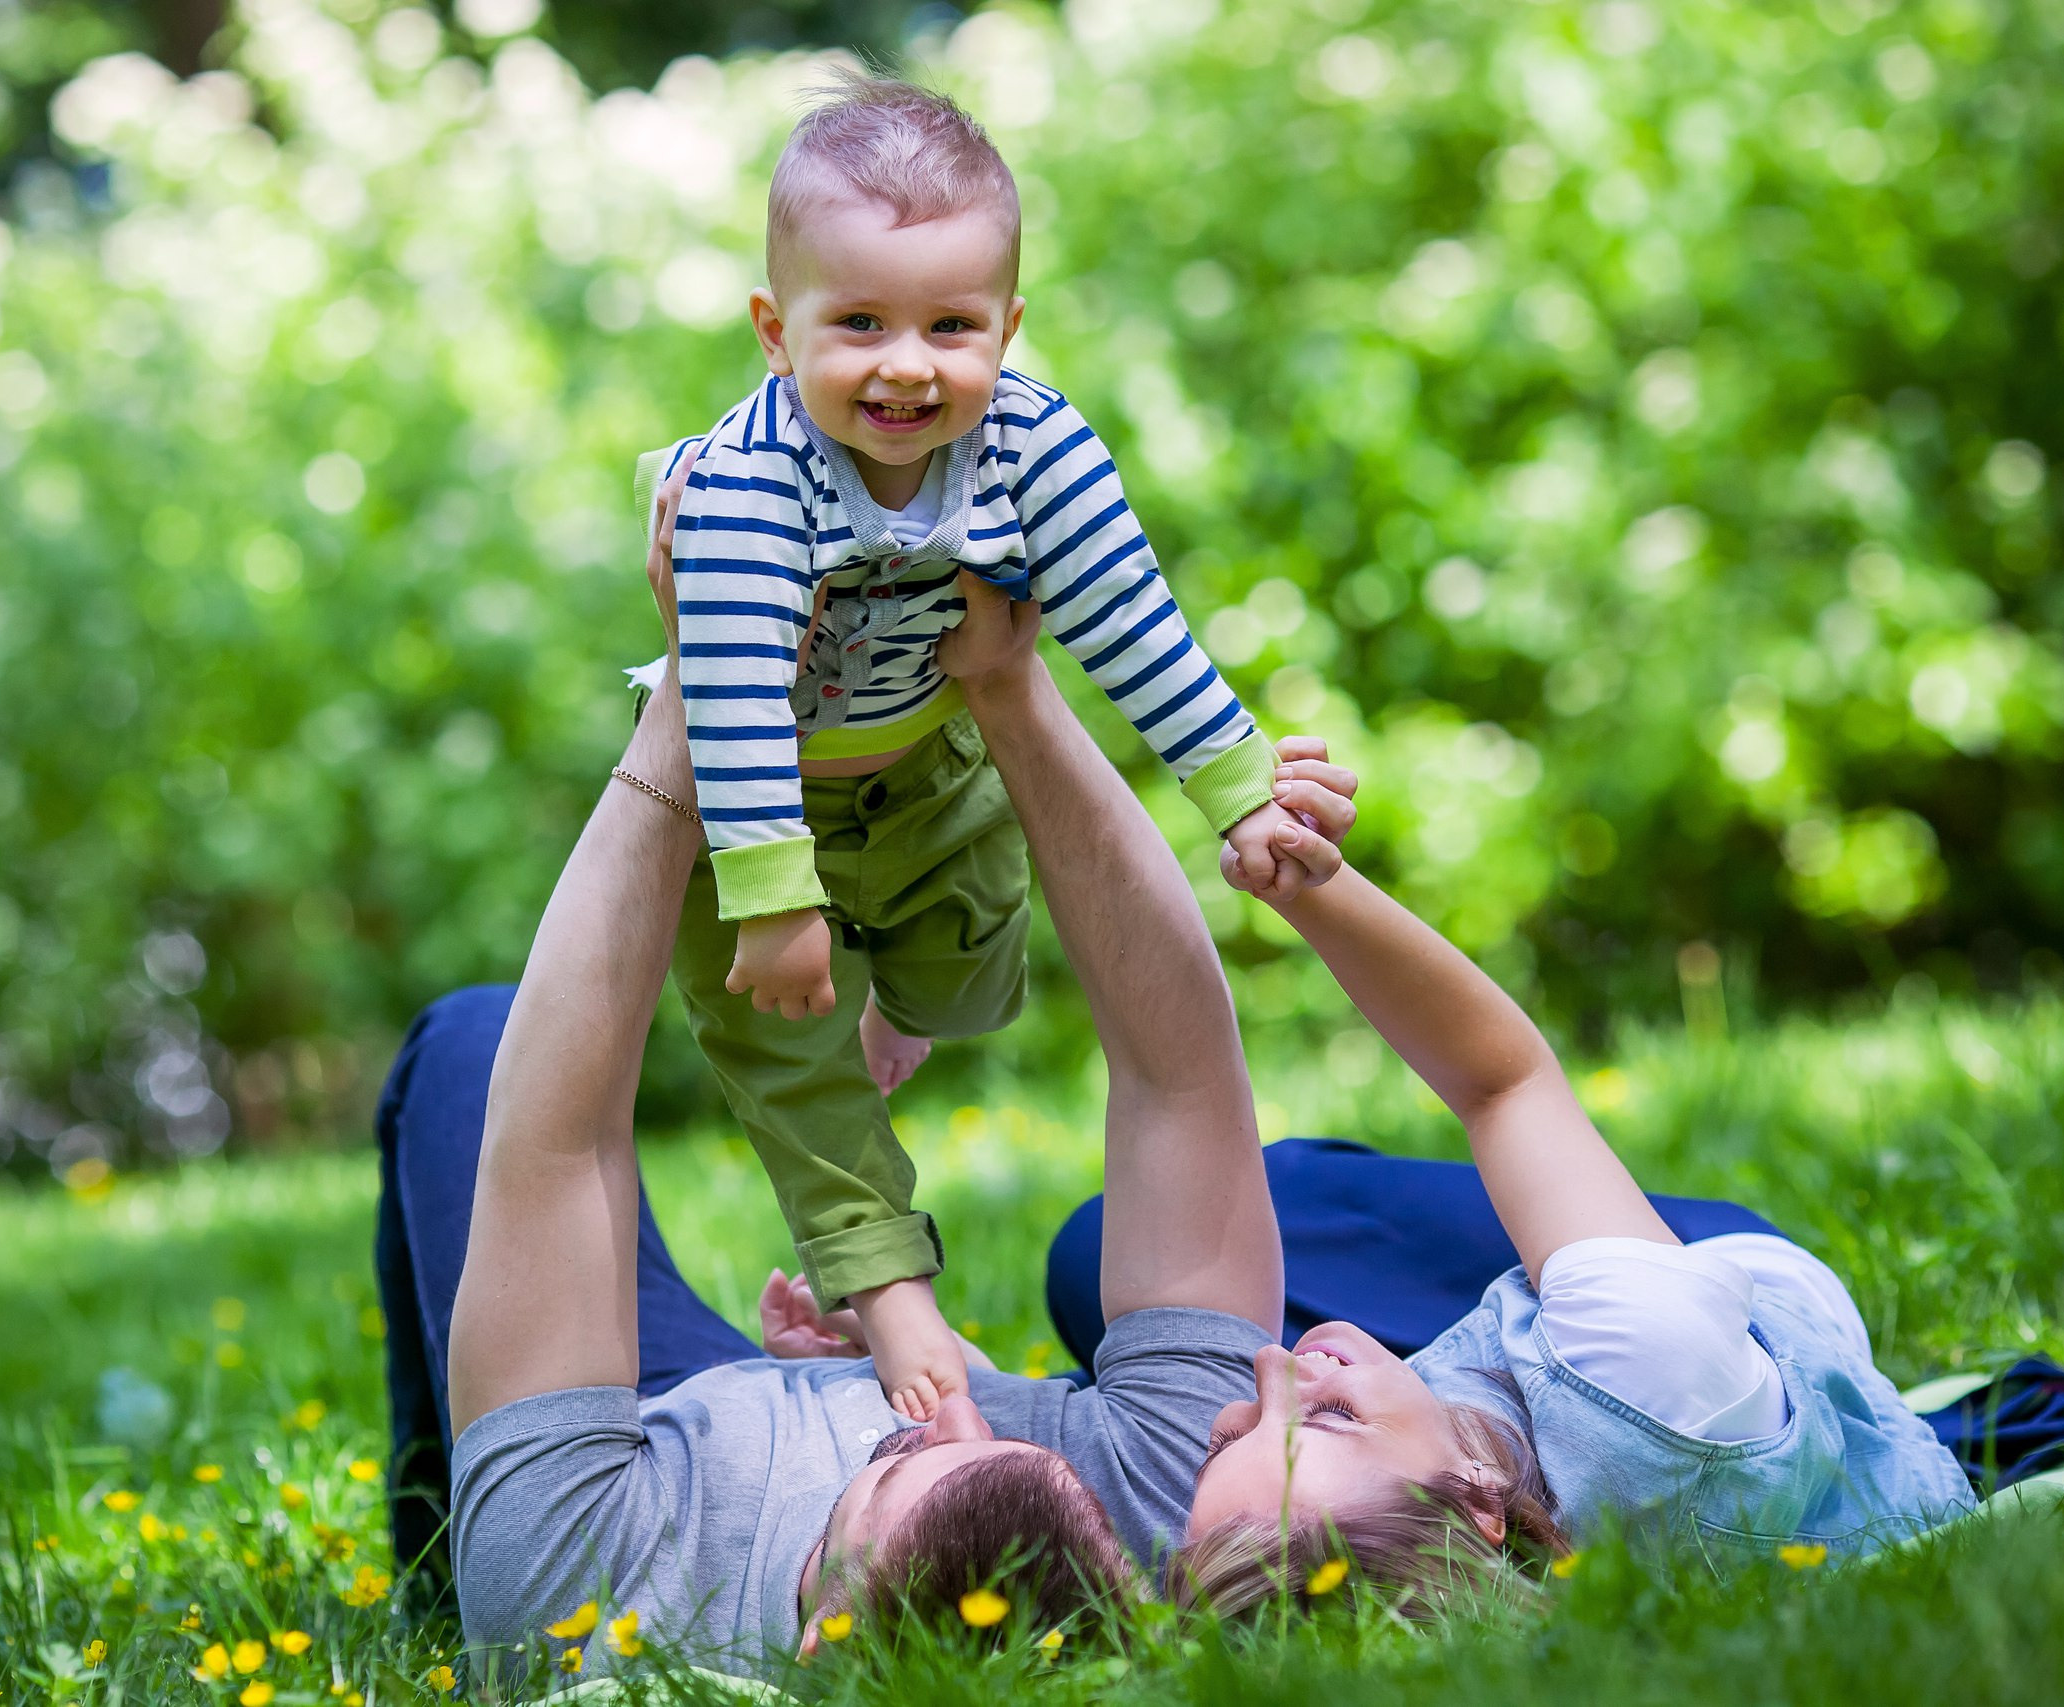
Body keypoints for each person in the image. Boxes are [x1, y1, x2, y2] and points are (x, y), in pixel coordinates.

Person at [402, 576, 1356, 1677]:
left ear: (825, 1637)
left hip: (642, 1448)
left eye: (902, 1455)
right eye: (1000, 1436)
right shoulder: (1169, 1504)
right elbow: (1179, 1080)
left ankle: (442, 1528)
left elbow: (559, 1145)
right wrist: (1005, 684)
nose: (956, 1409)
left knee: (471, 1044)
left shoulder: (580, 1594)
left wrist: (693, 691)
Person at [634, 73, 1312, 1421]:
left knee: (971, 970)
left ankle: (906, 1014)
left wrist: (1242, 791)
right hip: (753, 798)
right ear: (776, 332)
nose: (908, 365)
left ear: (1008, 325)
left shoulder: (1032, 444)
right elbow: (735, 694)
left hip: (931, 769)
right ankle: (885, 1287)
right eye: (860, 324)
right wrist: (772, 899)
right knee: (785, 1056)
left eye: (951, 325)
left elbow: (1129, 618)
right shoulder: (744, 486)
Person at [1167, 850, 1983, 1612]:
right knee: (1288, 1193)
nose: (1272, 1362)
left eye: (1227, 1439)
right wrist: (1310, 883)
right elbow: (1503, 1084)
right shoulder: (1642, 1354)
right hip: (1744, 1292)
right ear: (1481, 1502)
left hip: (1632, 1411)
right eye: (1332, 1415)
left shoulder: (1429, 1565)